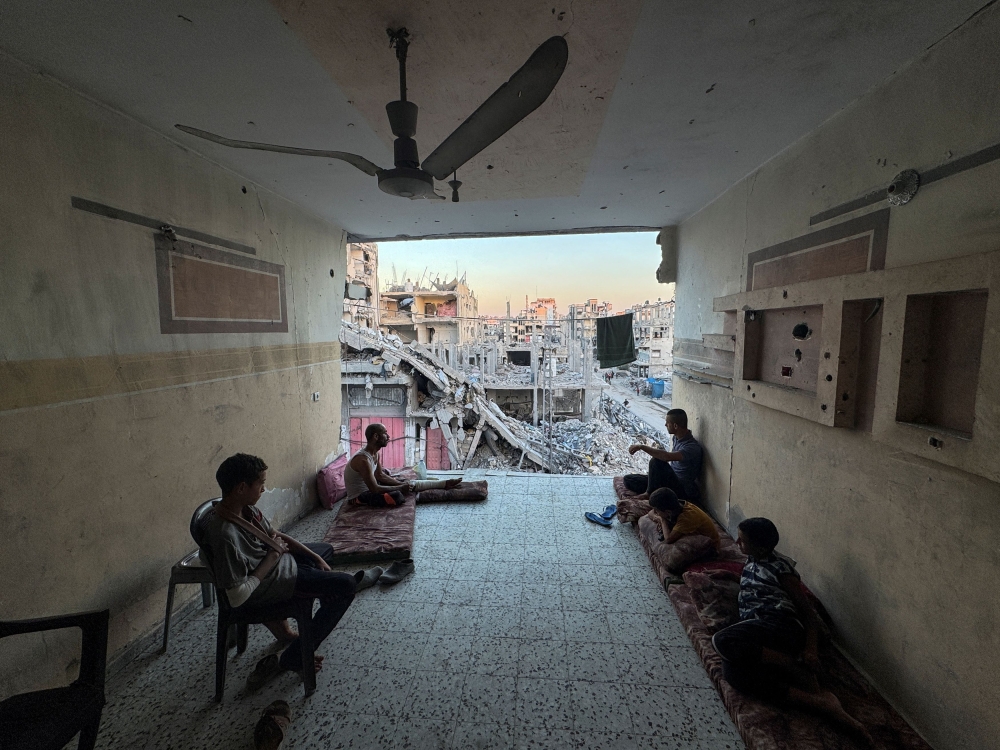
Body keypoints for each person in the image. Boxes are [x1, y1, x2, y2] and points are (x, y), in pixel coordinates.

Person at [198, 454, 356, 681]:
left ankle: (310, 632)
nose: (264, 489)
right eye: (261, 484)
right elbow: (237, 597)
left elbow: (275, 537)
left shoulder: (244, 510)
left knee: (325, 552)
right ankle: (296, 655)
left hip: (280, 565)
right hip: (273, 581)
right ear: (242, 488)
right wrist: (272, 558)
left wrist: (313, 557)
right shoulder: (225, 535)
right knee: (346, 586)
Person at [712, 518, 870, 740]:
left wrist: (811, 649)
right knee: (733, 673)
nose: (737, 543)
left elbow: (807, 612)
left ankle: (793, 665)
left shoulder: (782, 569)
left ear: (762, 546)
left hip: (779, 624)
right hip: (758, 628)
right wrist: (732, 577)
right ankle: (820, 703)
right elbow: (760, 583)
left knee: (722, 641)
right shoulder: (752, 560)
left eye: (743, 540)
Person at [344, 422, 461, 506]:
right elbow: (374, 489)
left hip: (370, 488)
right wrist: (400, 487)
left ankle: (444, 484)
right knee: (397, 495)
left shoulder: (375, 454)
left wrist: (401, 483)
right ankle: (439, 484)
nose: (388, 437)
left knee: (403, 483)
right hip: (359, 497)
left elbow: (380, 475)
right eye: (385, 433)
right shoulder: (363, 460)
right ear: (376, 436)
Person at [626, 408, 703, 503]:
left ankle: (649, 494)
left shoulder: (691, 447)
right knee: (629, 479)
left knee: (655, 461)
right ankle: (655, 491)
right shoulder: (676, 438)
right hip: (670, 481)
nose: (665, 425)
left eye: (667, 422)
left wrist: (642, 447)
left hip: (682, 488)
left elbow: (667, 457)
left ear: (675, 426)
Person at [648, 487, 720, 550]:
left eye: (657, 510)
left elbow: (668, 539)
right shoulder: (676, 504)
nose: (655, 512)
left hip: (710, 547)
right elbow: (650, 513)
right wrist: (658, 518)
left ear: (668, 512)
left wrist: (662, 520)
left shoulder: (686, 518)